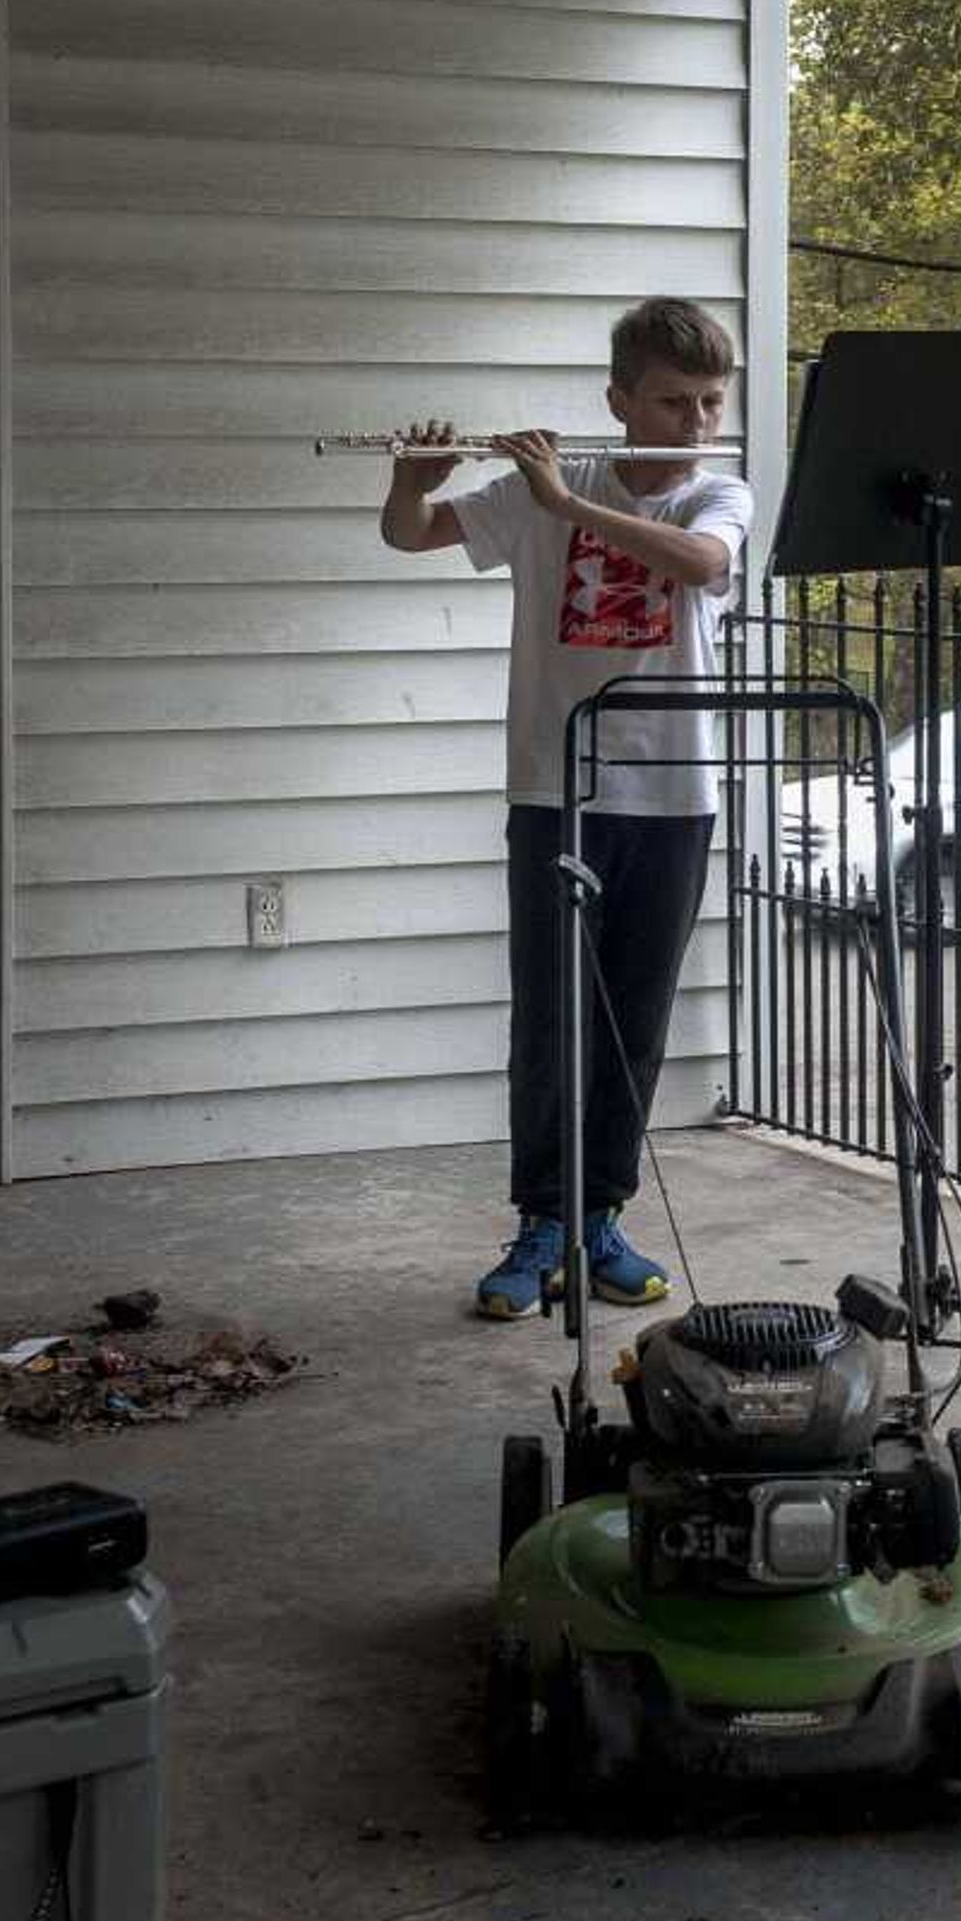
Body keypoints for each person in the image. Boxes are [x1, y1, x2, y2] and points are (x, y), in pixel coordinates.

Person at [378, 299, 751, 1320]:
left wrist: (567, 507)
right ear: (617, 400)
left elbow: (704, 567)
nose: (696, 421)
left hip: (672, 795)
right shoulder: (552, 483)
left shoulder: (719, 493)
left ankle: (602, 1222)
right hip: (555, 788)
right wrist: (410, 482)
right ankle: (542, 1221)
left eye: (711, 401)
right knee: (551, 1020)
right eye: (672, 402)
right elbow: (412, 534)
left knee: (632, 1020)